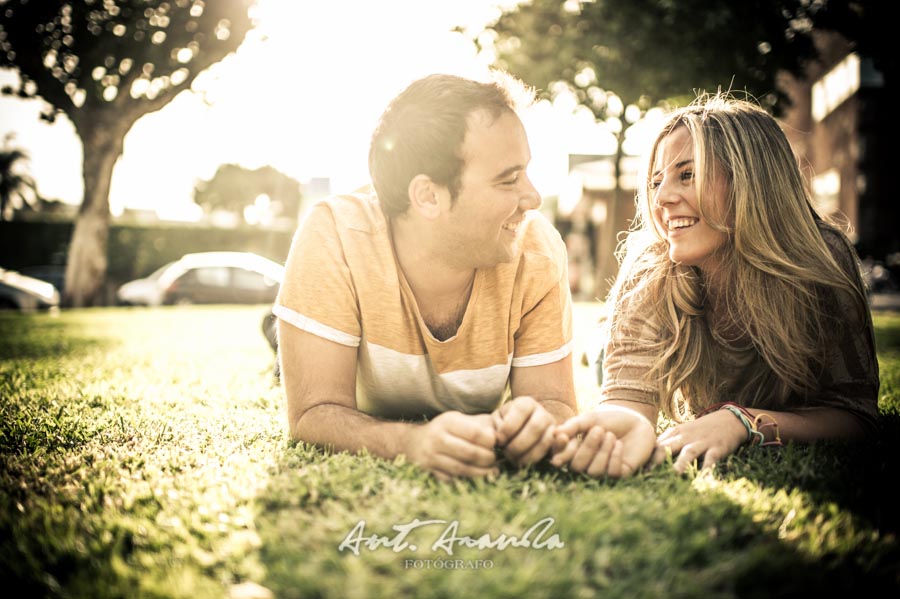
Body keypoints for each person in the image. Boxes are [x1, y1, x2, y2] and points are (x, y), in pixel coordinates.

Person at [551, 93, 879, 477]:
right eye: (657, 181)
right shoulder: (650, 270)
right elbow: (627, 405)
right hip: (632, 349)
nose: (662, 198)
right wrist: (619, 427)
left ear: (751, 182)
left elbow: (856, 415)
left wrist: (742, 421)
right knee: (603, 355)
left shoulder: (820, 259)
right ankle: (600, 345)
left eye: (687, 175)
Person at [274, 72, 577, 481]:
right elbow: (313, 414)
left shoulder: (537, 248)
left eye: (526, 172)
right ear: (428, 196)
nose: (533, 198)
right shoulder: (335, 234)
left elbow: (555, 403)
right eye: (508, 179)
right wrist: (412, 443)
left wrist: (536, 424)